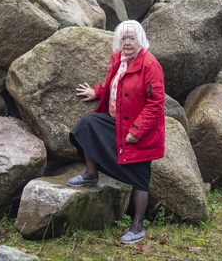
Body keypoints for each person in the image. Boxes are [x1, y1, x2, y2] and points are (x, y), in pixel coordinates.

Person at [67, 20, 165, 244]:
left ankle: (137, 227)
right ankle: (91, 174)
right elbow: (116, 84)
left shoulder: (150, 65)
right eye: (124, 38)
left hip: (140, 128)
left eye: (132, 38)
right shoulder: (119, 60)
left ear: (141, 40)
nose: (128, 42)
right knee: (87, 125)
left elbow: (156, 105)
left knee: (140, 177)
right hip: (117, 121)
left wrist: (137, 131)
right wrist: (97, 91)